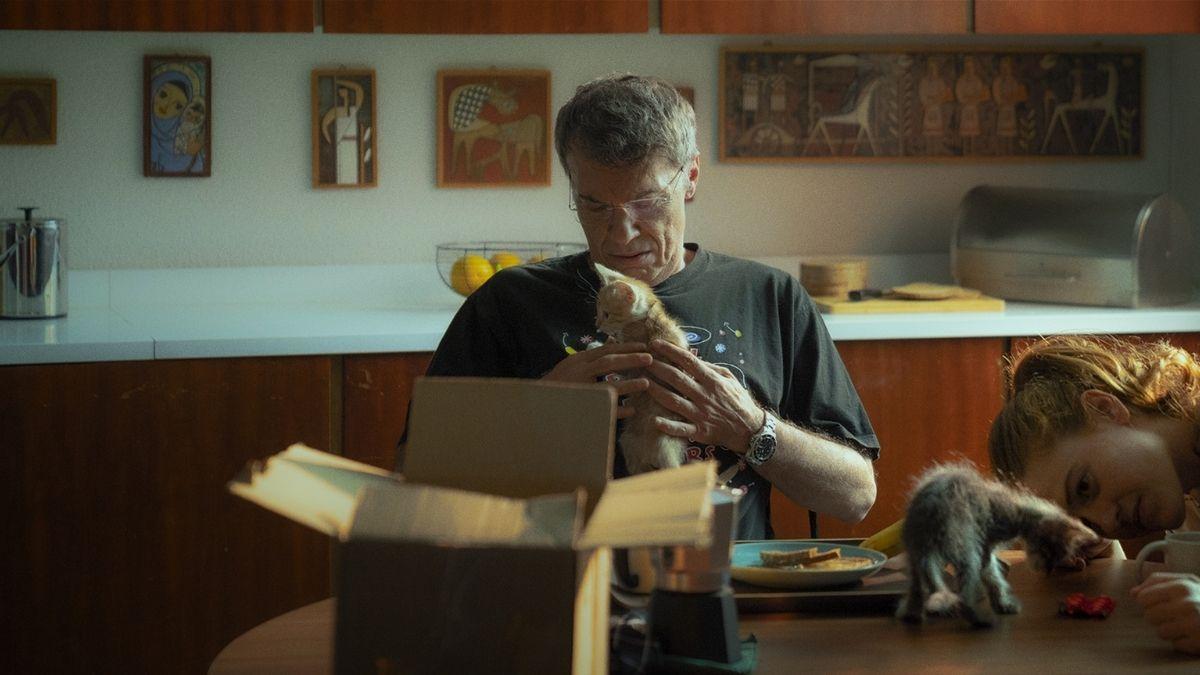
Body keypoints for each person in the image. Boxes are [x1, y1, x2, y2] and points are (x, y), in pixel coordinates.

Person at [416, 74, 879, 539]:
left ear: (691, 178)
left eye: (647, 201)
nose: (621, 234)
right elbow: (418, 482)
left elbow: (854, 496)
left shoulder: (770, 298)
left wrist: (751, 429)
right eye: (594, 205)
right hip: (562, 588)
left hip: (725, 588)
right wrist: (535, 415)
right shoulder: (508, 303)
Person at [989, 334, 1200, 655]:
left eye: (1084, 487)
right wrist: (1101, 550)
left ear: (1105, 409)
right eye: (1087, 524)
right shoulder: (1156, 491)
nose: (1105, 521)